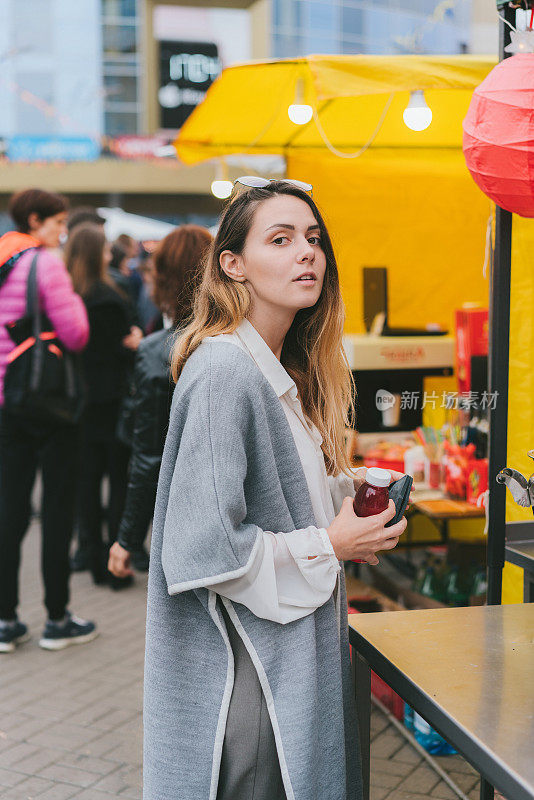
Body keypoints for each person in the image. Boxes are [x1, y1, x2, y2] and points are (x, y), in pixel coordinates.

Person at [141, 179, 408, 800]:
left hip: (284, 664)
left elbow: (278, 497)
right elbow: (202, 545)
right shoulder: (225, 372)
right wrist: (330, 543)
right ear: (232, 264)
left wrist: (350, 497)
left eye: (313, 239)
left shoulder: (273, 369)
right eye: (281, 239)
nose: (307, 253)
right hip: (251, 675)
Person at [0, 188, 97, 653]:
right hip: (49, 402)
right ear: (35, 219)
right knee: (57, 508)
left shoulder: (1, 260)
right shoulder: (44, 263)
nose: (63, 232)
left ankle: (5, 619)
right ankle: (56, 618)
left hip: (6, 401)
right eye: (57, 223)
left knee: (10, 508)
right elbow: (76, 334)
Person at [108, 224, 213, 576]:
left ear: (165, 277)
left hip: (184, 520)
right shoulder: (246, 340)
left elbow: (149, 456)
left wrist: (127, 539)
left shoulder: (159, 352)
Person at [65, 224, 142, 589]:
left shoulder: (68, 296)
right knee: (118, 482)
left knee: (87, 481)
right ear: (99, 254)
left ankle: (91, 557)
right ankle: (116, 564)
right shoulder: (111, 296)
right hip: (113, 400)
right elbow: (127, 343)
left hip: (78, 401)